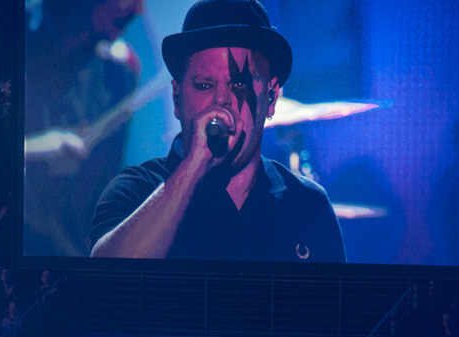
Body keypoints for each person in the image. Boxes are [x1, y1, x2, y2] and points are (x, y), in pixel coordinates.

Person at [89, 0, 345, 262]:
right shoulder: (135, 191)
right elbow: (102, 281)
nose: (221, 100)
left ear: (270, 97)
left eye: (239, 83)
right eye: (204, 85)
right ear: (177, 99)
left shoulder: (308, 206)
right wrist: (192, 168)